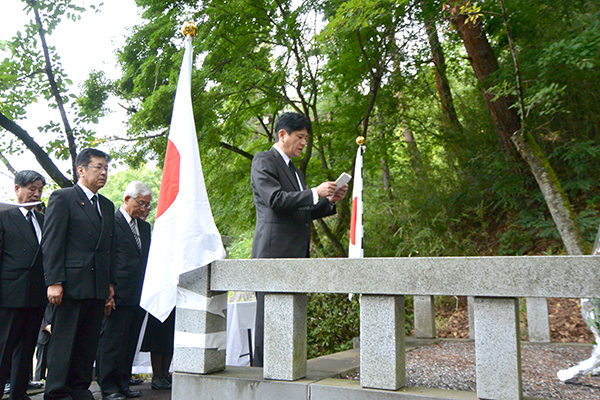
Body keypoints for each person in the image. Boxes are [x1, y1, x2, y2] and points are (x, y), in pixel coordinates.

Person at [250, 112, 348, 367]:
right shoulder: (263, 161)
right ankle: (263, 374)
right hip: (273, 253)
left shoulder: (296, 172)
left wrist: (329, 201)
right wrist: (314, 192)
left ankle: (288, 369)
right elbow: (276, 200)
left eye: (306, 138)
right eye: (300, 137)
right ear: (282, 135)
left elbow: (302, 211)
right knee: (268, 319)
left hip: (297, 253)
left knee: (291, 316)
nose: (305, 143)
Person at [42, 148, 117, 400]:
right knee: (65, 341)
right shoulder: (63, 198)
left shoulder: (106, 205)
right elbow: (52, 242)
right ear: (81, 169)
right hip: (70, 285)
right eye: (98, 167)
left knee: (87, 342)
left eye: (106, 168)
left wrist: (109, 284)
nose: (104, 173)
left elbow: (109, 248)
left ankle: (79, 387)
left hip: (96, 285)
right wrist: (54, 281)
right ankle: (56, 391)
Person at [96, 181, 152, 400]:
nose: (145, 209)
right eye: (141, 204)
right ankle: (108, 386)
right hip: (117, 292)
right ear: (128, 199)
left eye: (148, 205)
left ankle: (123, 382)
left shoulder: (145, 227)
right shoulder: (111, 222)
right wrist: (107, 290)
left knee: (130, 342)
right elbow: (106, 257)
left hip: (139, 294)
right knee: (113, 342)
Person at [0, 170, 46, 400]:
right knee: (4, 348)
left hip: (38, 295)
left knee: (27, 348)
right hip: (10, 295)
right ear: (17, 189)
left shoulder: (43, 219)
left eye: (39, 189)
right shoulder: (3, 215)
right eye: (31, 189)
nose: (36, 194)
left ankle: (19, 393)